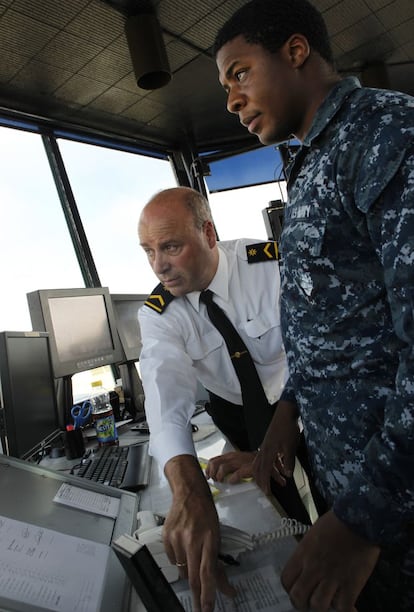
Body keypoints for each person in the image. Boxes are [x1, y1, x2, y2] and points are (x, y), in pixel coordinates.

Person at [213, 0, 414, 610]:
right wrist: (287, 416)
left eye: (240, 73)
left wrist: (362, 518)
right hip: (348, 491)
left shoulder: (387, 133)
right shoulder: (309, 165)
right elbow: (332, 323)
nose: (231, 100)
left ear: (296, 52)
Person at [137, 186, 316, 611]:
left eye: (171, 247)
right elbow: (165, 393)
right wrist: (187, 489)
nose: (158, 265)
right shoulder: (159, 313)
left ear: (209, 234)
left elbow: (317, 353)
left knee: (334, 498)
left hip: (305, 400)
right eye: (148, 251)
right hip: (237, 413)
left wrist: (287, 431)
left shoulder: (271, 265)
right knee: (279, 510)